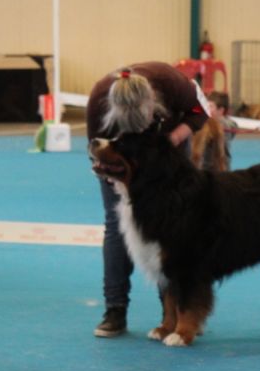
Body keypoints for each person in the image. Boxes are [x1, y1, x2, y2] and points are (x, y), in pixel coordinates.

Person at [86, 62, 210, 337]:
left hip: (168, 148)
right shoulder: (97, 102)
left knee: (172, 230)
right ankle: (115, 310)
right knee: (117, 225)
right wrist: (116, 179)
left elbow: (202, 111)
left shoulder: (173, 82)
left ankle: (176, 314)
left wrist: (174, 137)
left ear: (154, 101)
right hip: (122, 159)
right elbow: (96, 154)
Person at [191, 90, 236, 171]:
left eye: (211, 106)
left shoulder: (223, 126)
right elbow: (195, 110)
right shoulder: (226, 124)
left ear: (221, 110)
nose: (207, 109)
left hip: (218, 170)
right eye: (207, 106)